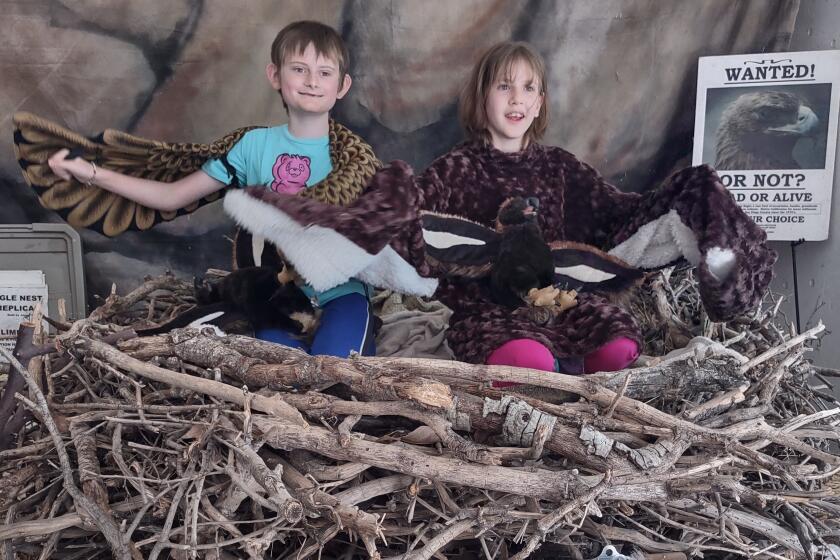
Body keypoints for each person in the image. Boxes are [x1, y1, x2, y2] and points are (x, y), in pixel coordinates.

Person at [396, 41, 776, 377]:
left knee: (619, 344)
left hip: (563, 300)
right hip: (489, 309)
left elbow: (616, 214)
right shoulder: (455, 168)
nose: (517, 99)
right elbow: (412, 225)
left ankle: (570, 370)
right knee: (532, 363)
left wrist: (683, 201)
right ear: (482, 98)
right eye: (504, 86)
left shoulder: (560, 167)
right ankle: (538, 369)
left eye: (529, 88)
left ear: (540, 101)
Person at [46, 20, 377, 357]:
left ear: (342, 85)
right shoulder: (252, 146)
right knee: (283, 369)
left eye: (324, 73)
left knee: (340, 366)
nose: (311, 81)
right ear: (275, 75)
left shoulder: (356, 158)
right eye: (299, 69)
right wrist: (91, 173)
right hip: (276, 297)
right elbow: (172, 195)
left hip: (342, 294)